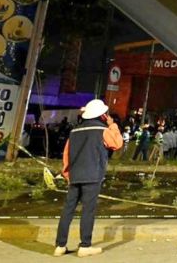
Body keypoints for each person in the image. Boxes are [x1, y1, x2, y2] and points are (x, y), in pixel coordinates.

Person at [54, 99, 123, 257]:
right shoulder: (103, 130)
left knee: (68, 210)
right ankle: (85, 245)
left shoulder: (74, 132)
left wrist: (67, 175)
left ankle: (60, 245)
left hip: (75, 175)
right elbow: (117, 144)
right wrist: (112, 125)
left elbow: (67, 156)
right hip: (92, 175)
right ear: (103, 116)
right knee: (88, 210)